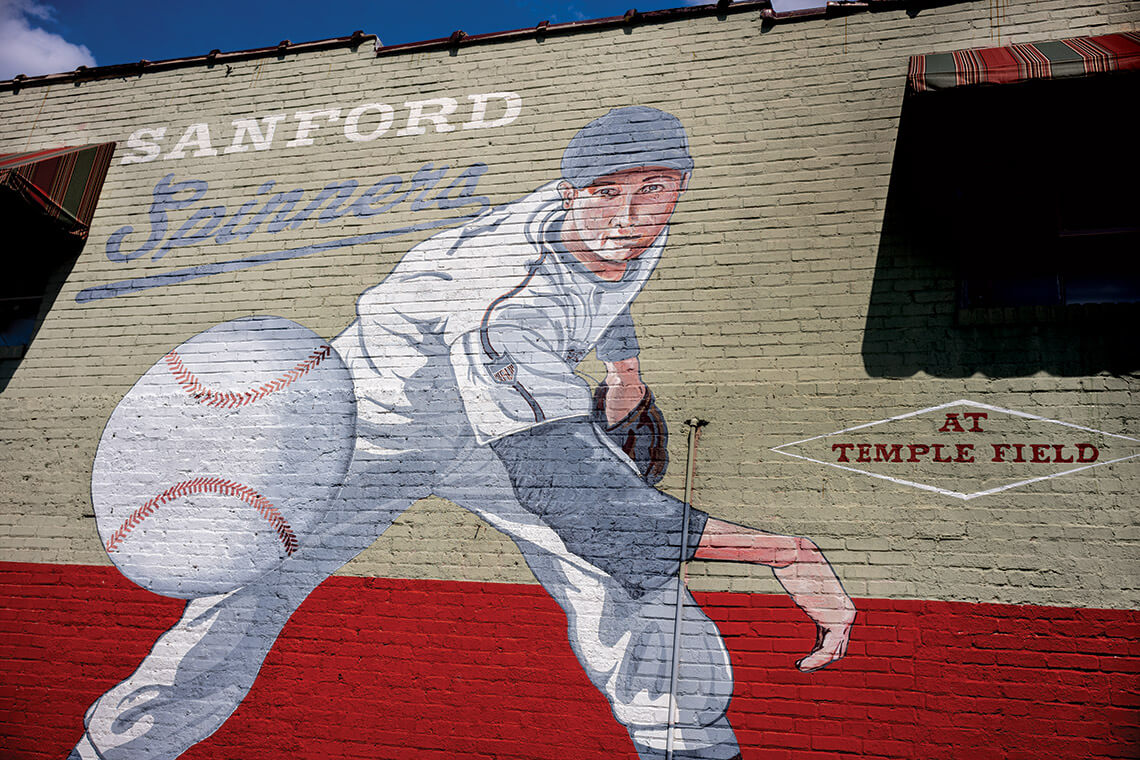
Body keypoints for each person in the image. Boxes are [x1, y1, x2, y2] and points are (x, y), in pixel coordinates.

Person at [71, 106, 855, 760]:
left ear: (680, 184)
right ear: (569, 190)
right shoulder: (506, 299)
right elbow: (578, 498)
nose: (629, 212)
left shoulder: (621, 227)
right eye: (606, 190)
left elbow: (609, 286)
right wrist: (785, 549)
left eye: (656, 186)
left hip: (492, 434)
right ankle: (116, 749)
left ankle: (688, 745)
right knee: (248, 594)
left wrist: (625, 371)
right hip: (374, 427)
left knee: (620, 582)